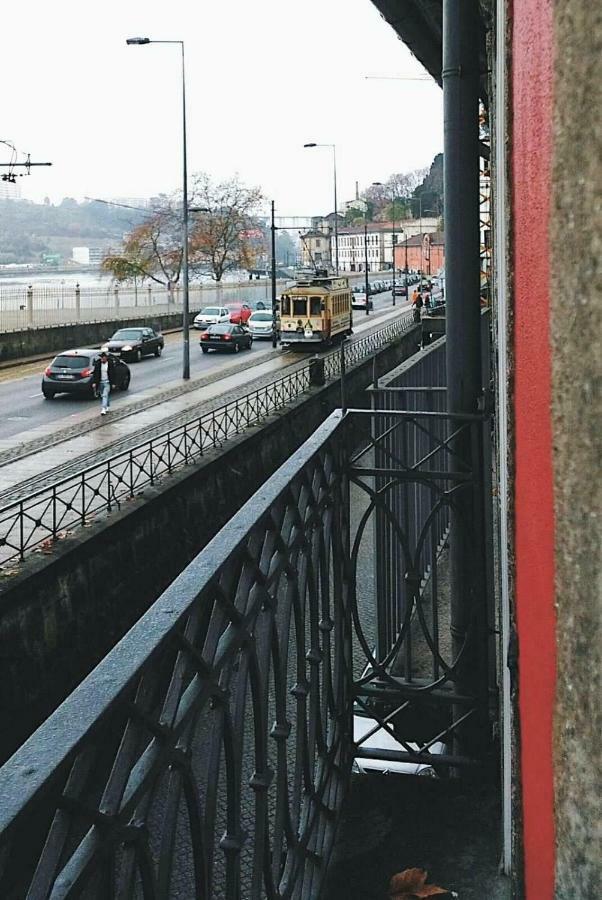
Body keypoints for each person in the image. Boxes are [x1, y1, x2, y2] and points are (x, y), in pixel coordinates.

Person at [92, 351, 117, 416]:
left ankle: (103, 408)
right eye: (101, 358)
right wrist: (94, 382)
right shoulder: (98, 364)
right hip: (100, 382)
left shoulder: (110, 364)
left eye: (103, 358)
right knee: (103, 395)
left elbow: (113, 374)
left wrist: (113, 383)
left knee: (105, 395)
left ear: (106, 358)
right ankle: (107, 405)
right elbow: (95, 373)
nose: (102, 359)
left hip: (107, 382)